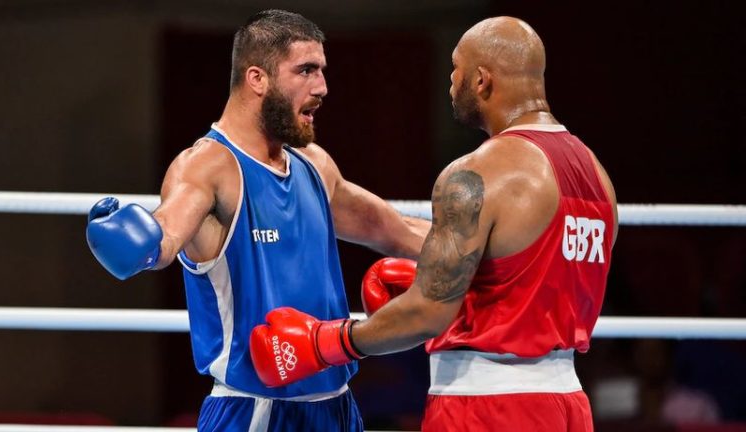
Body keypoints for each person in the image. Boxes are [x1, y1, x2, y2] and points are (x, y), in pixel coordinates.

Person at [250, 16, 619, 432]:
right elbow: (530, 279)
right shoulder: (595, 173)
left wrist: (325, 343)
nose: (450, 84)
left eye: (455, 70)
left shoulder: (478, 173)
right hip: (567, 402)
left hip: (485, 407)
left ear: (481, 80)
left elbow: (427, 312)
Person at [85, 9, 429, 432]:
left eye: (321, 70)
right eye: (306, 70)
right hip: (256, 411)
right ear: (257, 78)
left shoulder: (313, 164)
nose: (322, 87)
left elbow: (395, 230)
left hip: (337, 407)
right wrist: (135, 241)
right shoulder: (209, 167)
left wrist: (494, 245)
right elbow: (164, 240)